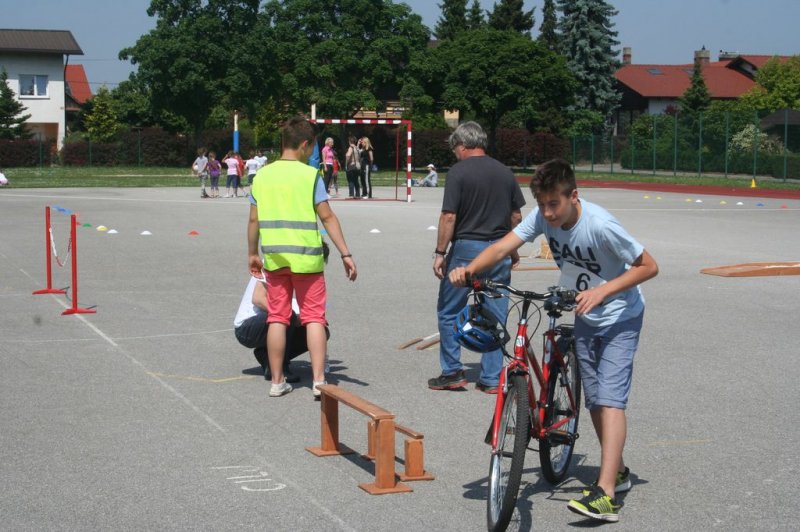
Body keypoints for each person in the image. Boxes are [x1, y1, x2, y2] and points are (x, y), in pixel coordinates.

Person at [448, 158, 659, 523]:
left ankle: (606, 493)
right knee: (594, 399)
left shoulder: (600, 225)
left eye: (553, 205)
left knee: (609, 399)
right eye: (541, 205)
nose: (547, 214)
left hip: (619, 316)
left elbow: (648, 266)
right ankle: (618, 471)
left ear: (573, 196)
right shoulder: (543, 218)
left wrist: (604, 291)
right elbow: (502, 247)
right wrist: (469, 269)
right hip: (584, 313)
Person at [248, 116, 357, 399]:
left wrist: (251, 252)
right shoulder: (310, 176)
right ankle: (319, 381)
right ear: (305, 145)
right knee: (314, 318)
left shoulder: (262, 175)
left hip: (274, 257)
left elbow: (253, 221)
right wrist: (345, 253)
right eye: (313, 147)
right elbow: (327, 216)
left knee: (277, 318)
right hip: (307, 259)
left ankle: (276, 380)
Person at [430, 121, 526, 394]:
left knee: (449, 310)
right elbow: (516, 216)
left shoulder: (458, 172)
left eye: (454, 150)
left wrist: (439, 253)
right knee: (495, 313)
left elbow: (449, 216)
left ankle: (452, 371)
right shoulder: (505, 171)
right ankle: (492, 378)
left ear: (461, 145)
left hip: (466, 249)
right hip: (498, 249)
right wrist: (512, 249)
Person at [234, 242, 332, 383]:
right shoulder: (275, 263)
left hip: (269, 320)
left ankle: (267, 357)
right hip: (247, 327)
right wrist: (290, 316)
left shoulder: (299, 270)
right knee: (287, 316)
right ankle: (281, 369)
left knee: (320, 329)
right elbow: (258, 299)